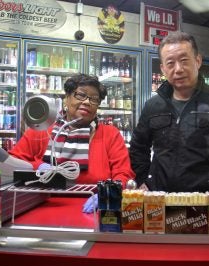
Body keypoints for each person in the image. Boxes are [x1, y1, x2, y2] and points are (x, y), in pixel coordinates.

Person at [129, 31, 209, 193]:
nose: (178, 69)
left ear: (198, 61)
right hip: (160, 201)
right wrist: (142, 179)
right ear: (163, 69)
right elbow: (138, 147)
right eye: (170, 63)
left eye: (184, 60)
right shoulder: (153, 106)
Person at [9, 74, 135, 212]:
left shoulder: (110, 135)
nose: (87, 102)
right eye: (81, 95)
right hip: (40, 208)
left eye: (94, 99)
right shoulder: (41, 131)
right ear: (67, 98)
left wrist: (107, 194)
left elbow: (124, 174)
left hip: (93, 213)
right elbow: (12, 163)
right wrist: (38, 166)